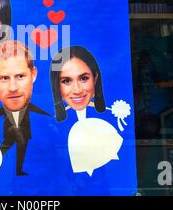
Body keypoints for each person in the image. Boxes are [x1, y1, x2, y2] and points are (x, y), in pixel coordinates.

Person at [50, 46, 123, 176]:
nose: (77, 90)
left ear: (95, 78)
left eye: (83, 78)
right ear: (57, 86)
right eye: (66, 81)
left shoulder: (115, 118)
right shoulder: (50, 125)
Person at [0, 40, 49, 176]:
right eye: (4, 78)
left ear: (33, 75)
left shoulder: (54, 121)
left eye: (20, 76)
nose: (13, 87)